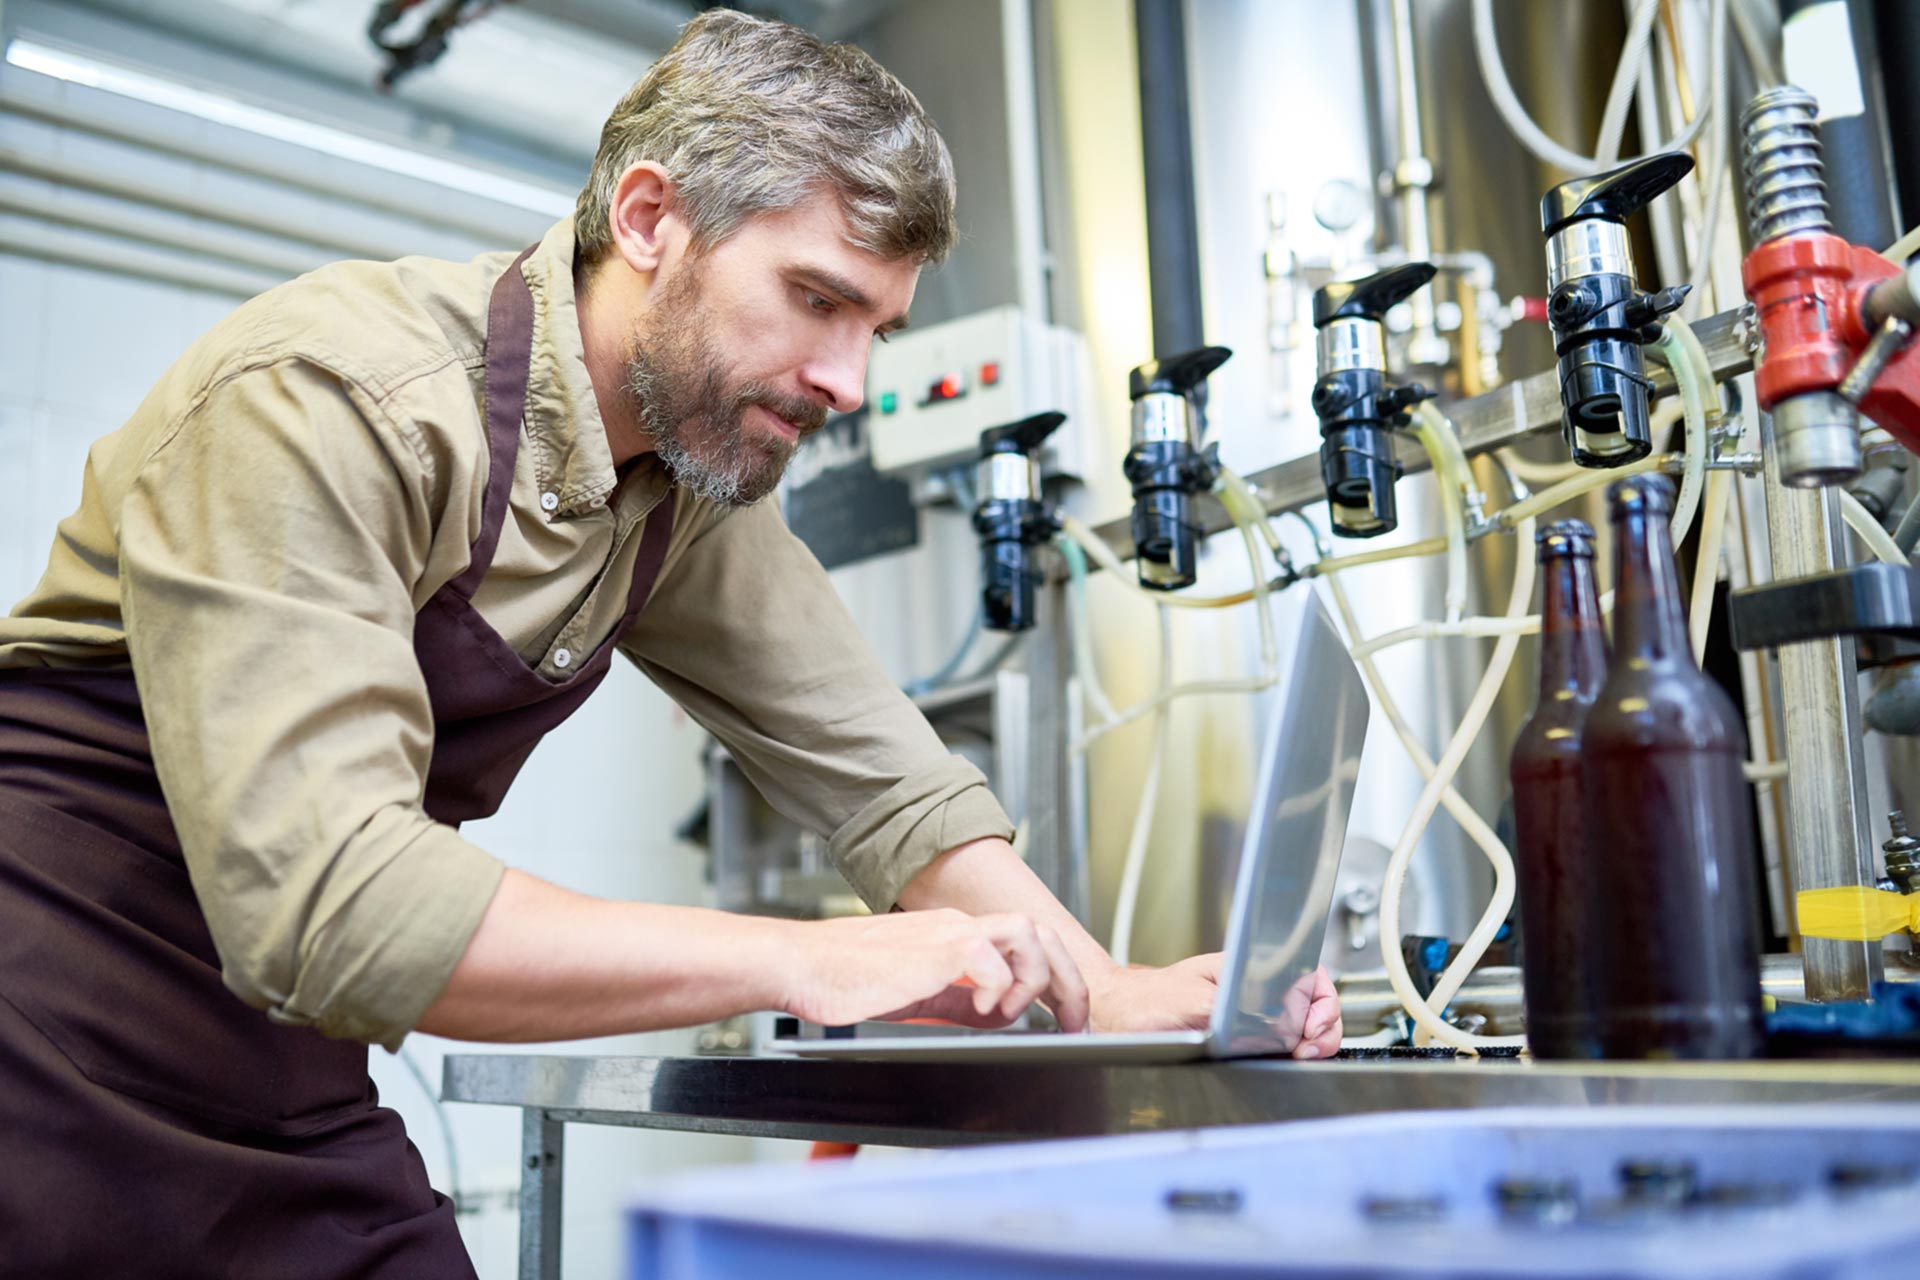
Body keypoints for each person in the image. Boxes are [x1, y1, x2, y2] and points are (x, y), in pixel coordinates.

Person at [0, 9, 1341, 1276]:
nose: (849, 381)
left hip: (283, 1070)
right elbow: (331, 909)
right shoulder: (332, 400)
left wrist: (1099, 992)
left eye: (877, 326)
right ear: (649, 219)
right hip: (46, 1035)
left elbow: (895, 785)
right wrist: (809, 959)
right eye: (815, 298)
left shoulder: (686, 490)